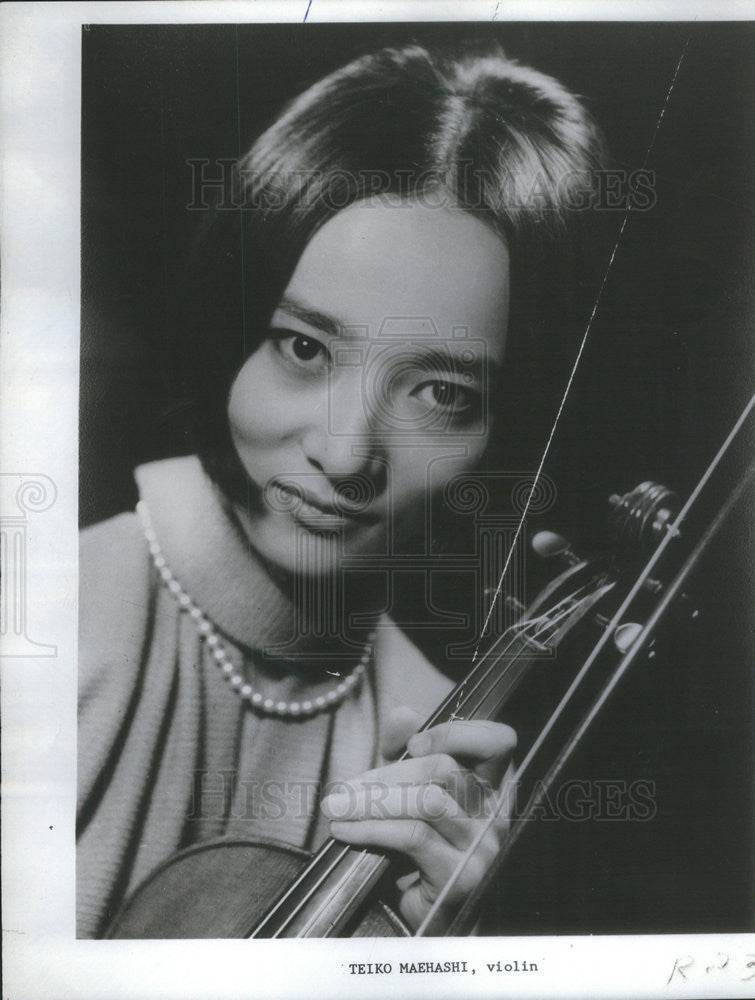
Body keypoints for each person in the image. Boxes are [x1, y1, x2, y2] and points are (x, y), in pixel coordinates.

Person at [77, 42, 605, 938]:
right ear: (228, 330)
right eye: (306, 349)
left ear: (504, 427)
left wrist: (442, 948)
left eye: (440, 394)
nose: (346, 451)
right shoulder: (62, 614)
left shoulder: (441, 751)